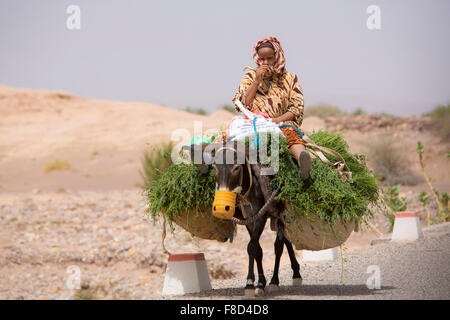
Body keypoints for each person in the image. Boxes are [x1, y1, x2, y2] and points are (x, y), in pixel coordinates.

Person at [228, 36, 312, 180]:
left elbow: (296, 107)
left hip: (279, 123)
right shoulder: (250, 77)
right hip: (252, 123)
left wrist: (276, 120)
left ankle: (303, 162)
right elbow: (242, 104)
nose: (266, 63)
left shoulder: (290, 78)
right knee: (227, 135)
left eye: (270, 58)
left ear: (277, 56)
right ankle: (207, 159)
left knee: (290, 133)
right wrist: (257, 81)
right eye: (262, 59)